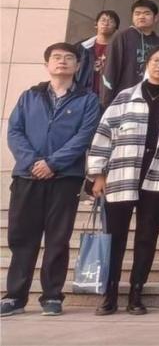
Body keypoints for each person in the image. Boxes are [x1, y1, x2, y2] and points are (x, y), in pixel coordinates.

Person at [88, 46, 159, 315]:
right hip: (121, 175)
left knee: (147, 238)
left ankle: (136, 292)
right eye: (156, 60)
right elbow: (104, 134)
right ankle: (110, 292)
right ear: (147, 64)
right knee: (115, 237)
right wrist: (98, 173)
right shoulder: (125, 97)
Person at [2, 43, 101, 317]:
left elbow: (84, 136)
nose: (62, 62)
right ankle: (15, 296)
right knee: (22, 238)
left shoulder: (88, 99)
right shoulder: (29, 96)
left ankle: (52, 296)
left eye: (69, 58)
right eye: (56, 58)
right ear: (47, 64)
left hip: (65, 178)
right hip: (27, 176)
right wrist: (34, 162)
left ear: (78, 66)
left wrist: (53, 163)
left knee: (58, 238)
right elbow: (15, 132)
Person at [101, 0, 159, 105]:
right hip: (124, 100)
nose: (141, 17)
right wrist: (107, 101)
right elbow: (110, 68)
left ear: (156, 18)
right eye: (137, 14)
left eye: (146, 13)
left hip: (154, 99)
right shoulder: (122, 37)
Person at [76, 10, 120, 95]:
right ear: (96, 24)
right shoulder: (82, 47)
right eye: (103, 20)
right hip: (84, 93)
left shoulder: (119, 49)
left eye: (111, 21)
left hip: (109, 94)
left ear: (116, 28)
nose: (106, 24)